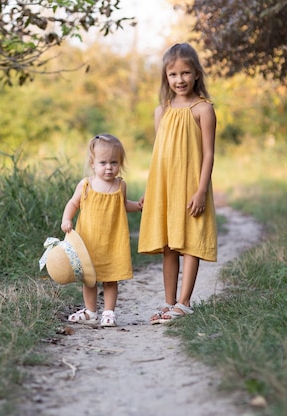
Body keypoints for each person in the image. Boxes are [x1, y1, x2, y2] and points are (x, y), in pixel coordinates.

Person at [138, 43, 218, 324]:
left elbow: (208, 153)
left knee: (190, 241)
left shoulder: (203, 109)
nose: (179, 80)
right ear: (166, 77)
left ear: (197, 74)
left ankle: (185, 303)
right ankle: (168, 302)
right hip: (165, 187)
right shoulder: (162, 111)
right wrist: (152, 191)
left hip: (190, 187)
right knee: (169, 244)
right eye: (173, 74)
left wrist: (201, 191)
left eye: (185, 73)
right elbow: (159, 154)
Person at [61, 133, 142, 327]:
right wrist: (66, 219)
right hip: (89, 241)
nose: (109, 167)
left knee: (111, 278)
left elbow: (122, 205)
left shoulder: (120, 185)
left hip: (112, 241)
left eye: (114, 162)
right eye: (103, 162)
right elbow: (73, 203)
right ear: (93, 162)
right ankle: (90, 311)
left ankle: (108, 312)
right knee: (89, 279)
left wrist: (138, 206)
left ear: (120, 163)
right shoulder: (86, 185)